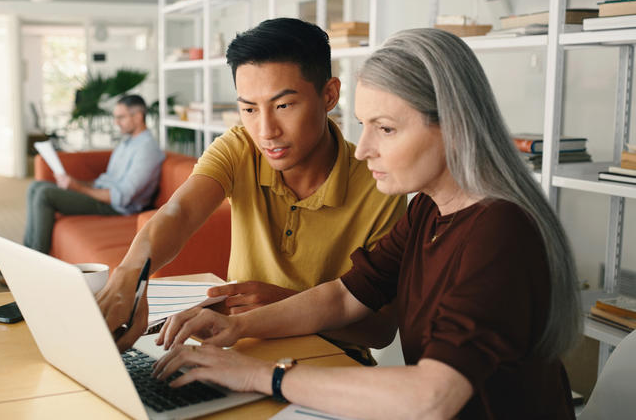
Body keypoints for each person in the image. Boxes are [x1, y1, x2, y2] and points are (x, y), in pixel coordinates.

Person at [151, 28, 581, 419]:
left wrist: (262, 376)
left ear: (454, 127)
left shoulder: (499, 231)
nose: (362, 150)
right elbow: (344, 297)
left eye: (387, 129)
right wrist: (237, 327)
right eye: (363, 126)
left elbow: (433, 396)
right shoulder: (429, 210)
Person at [97, 18, 406, 359]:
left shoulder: (379, 184)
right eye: (248, 109)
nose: (265, 131)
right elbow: (180, 212)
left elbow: (380, 331)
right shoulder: (240, 146)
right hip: (236, 349)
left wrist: (283, 304)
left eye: (283, 105)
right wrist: (130, 276)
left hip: (329, 363)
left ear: (329, 94)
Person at [23, 94, 164, 254]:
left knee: (45, 194)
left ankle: (35, 261)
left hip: (116, 207)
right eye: (115, 117)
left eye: (121, 117)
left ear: (138, 117)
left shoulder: (147, 150)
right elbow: (106, 181)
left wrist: (78, 188)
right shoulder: (127, 142)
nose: (116, 122)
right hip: (102, 196)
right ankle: (25, 256)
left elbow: (122, 196)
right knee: (35, 186)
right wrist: (76, 183)